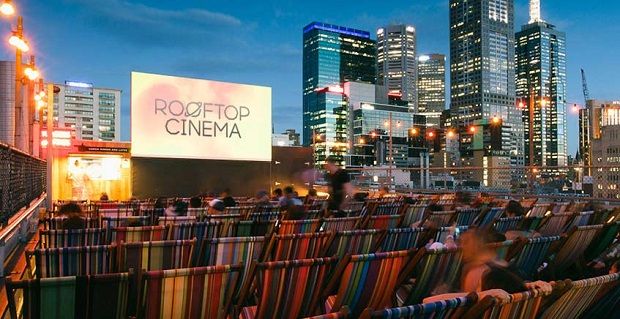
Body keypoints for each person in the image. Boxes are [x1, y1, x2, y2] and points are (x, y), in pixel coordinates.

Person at [423, 228, 551, 303]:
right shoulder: (504, 264)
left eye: (465, 242)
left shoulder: (476, 271)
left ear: (476, 245)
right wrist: (527, 285)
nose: (462, 246)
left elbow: (429, 302)